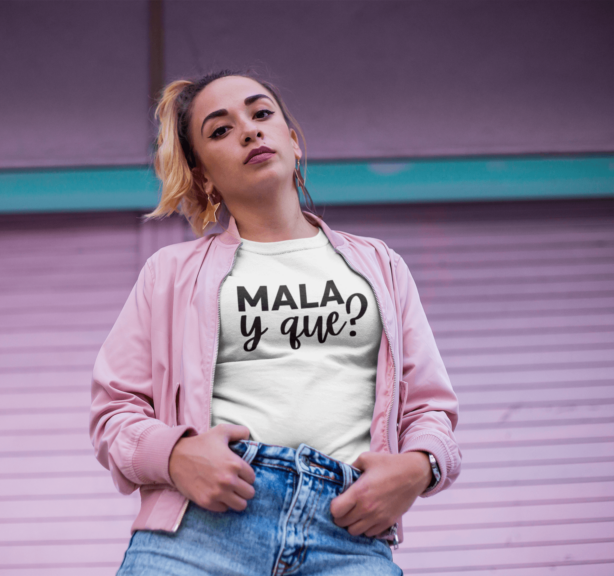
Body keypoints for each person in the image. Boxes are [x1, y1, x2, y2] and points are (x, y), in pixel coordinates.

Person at [89, 70, 461, 575]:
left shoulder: (381, 265)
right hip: (199, 532)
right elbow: (114, 411)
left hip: (347, 537)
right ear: (203, 176)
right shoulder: (170, 273)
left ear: (293, 141)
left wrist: (421, 468)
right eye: (220, 130)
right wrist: (176, 457)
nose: (248, 131)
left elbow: (430, 408)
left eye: (261, 114)